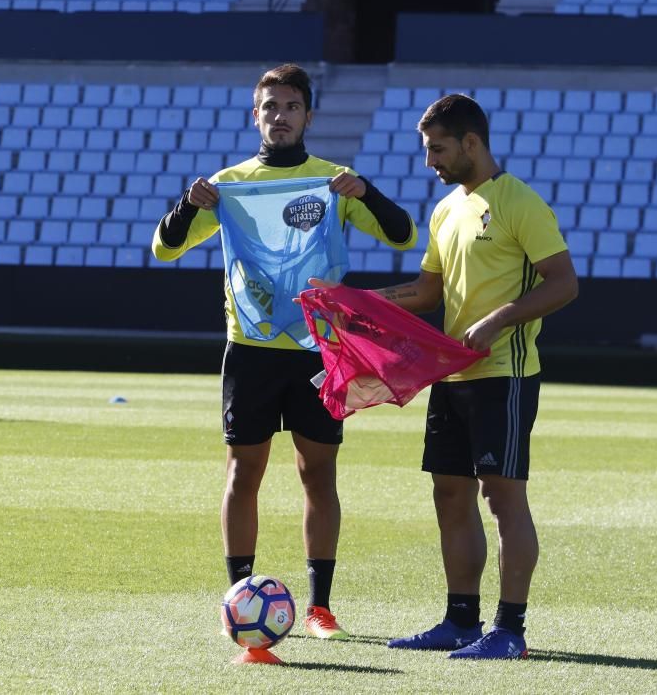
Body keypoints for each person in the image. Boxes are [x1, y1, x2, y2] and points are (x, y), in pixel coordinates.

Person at [151, 63, 417, 640]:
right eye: (270, 107)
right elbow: (166, 248)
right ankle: (238, 596)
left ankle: (320, 608)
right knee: (243, 472)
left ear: (307, 116)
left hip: (318, 351)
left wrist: (365, 190)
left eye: (290, 106)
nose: (280, 116)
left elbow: (403, 235)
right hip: (249, 350)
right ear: (256, 116)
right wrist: (187, 203)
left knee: (317, 473)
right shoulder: (229, 183)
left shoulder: (332, 181)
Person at [378, 93, 578, 659]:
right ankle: (460, 619)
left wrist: (501, 318)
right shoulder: (445, 211)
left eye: (437, 149)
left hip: (505, 376)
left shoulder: (520, 203)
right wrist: (358, 301)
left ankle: (509, 629)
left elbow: (564, 283)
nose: (430, 162)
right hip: (452, 378)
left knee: (503, 499)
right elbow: (425, 293)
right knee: (448, 494)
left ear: (471, 143)